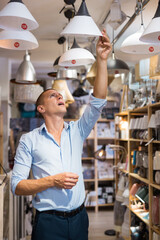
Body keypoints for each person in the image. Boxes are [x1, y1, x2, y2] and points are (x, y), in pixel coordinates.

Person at [11, 29, 112, 240]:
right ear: (41, 109)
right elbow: (17, 186)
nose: (60, 96)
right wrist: (52, 181)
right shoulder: (29, 140)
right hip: (48, 223)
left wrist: (102, 60)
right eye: (53, 95)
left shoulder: (77, 130)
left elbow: (98, 100)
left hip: (79, 219)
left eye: (60, 95)